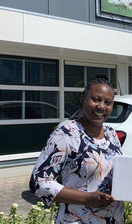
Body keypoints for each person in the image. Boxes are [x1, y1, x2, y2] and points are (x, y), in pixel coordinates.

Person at [29, 74, 124, 224]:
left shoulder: (111, 134)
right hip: (77, 218)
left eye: (108, 102)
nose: (101, 106)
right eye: (96, 99)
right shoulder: (66, 133)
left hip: (114, 218)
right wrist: (87, 198)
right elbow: (39, 183)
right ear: (83, 100)